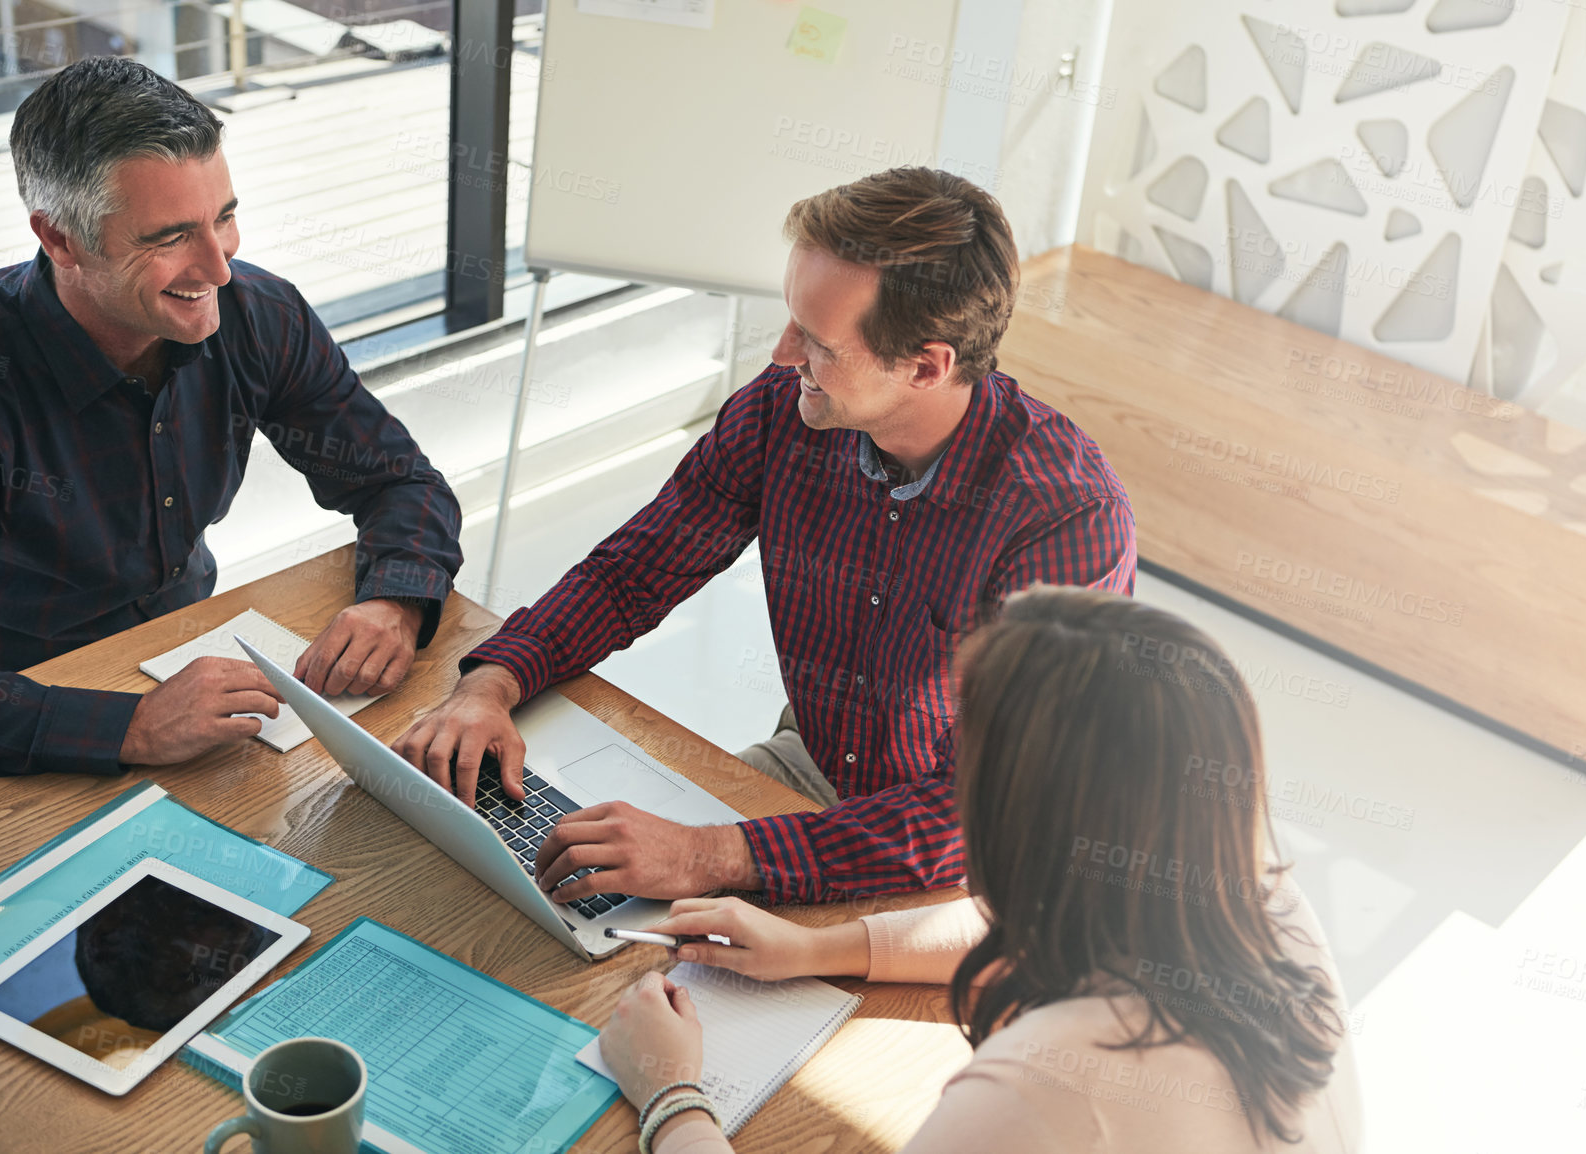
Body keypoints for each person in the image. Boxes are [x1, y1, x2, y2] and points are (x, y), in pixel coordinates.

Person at [393, 167, 1136, 907]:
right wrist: (491, 683)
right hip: (813, 763)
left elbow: (979, 814)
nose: (782, 355)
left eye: (816, 342)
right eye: (790, 321)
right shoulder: (783, 413)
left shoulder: (1064, 520)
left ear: (925, 364)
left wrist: (702, 855)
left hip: (980, 855)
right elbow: (635, 572)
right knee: (552, 904)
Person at [599, 586, 1363, 1153]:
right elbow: (1040, 923)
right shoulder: (1257, 898)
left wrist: (670, 1092)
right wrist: (815, 949)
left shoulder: (1046, 1083)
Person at [0, 57, 462, 780]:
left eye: (226, 217)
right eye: (170, 236)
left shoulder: (259, 314)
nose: (218, 266)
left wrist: (396, 599)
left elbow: (400, 481)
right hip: (17, 709)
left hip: (190, 653)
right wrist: (133, 727)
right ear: (60, 241)